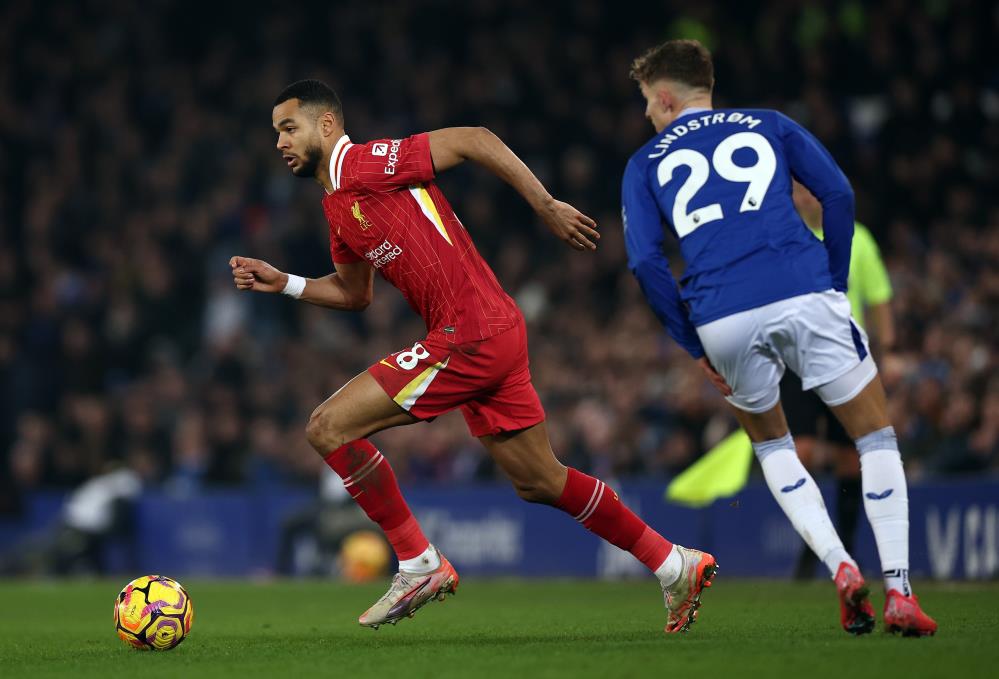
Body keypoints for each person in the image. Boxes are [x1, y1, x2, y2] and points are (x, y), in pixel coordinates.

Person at [231, 80, 716, 633]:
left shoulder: (367, 163)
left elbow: (474, 139)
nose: (279, 143)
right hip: (492, 332)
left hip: (471, 332)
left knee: (326, 427)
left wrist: (545, 204)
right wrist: (286, 283)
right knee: (540, 481)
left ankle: (418, 562)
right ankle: (673, 563)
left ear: (326, 126)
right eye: (275, 133)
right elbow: (353, 293)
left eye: (288, 128)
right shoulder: (338, 208)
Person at [622, 40, 935, 636]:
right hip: (802, 289)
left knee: (773, 448)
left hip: (721, 314)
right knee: (874, 436)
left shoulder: (644, 163)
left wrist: (692, 343)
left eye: (646, 102)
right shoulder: (770, 124)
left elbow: (645, 263)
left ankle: (841, 567)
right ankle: (899, 590)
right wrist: (834, 283)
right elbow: (838, 194)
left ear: (664, 96)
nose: (646, 115)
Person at [787, 181, 896, 579]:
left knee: (850, 458)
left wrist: (890, 351)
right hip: (795, 360)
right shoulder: (785, 235)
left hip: (844, 358)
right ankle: (812, 548)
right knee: (802, 453)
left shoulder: (859, 238)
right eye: (798, 191)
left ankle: (846, 549)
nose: (805, 197)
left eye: (810, 190)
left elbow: (878, 299)